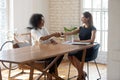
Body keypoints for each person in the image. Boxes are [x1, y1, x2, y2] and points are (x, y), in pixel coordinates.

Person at [27, 13, 64, 80]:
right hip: (38, 55)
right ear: (37, 21)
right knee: (55, 57)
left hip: (46, 52)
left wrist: (54, 41)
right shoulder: (33, 31)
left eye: (43, 20)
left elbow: (49, 39)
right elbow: (42, 38)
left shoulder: (44, 29)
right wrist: (53, 34)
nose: (43, 22)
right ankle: (51, 73)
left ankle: (51, 72)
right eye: (42, 20)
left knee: (61, 54)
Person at [62, 11, 96, 80]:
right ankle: (82, 72)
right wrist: (63, 33)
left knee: (74, 55)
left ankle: (80, 75)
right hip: (81, 48)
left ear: (87, 18)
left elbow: (92, 40)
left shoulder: (93, 28)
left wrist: (79, 41)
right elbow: (71, 32)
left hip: (88, 50)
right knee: (70, 55)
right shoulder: (81, 28)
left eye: (83, 17)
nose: (81, 19)